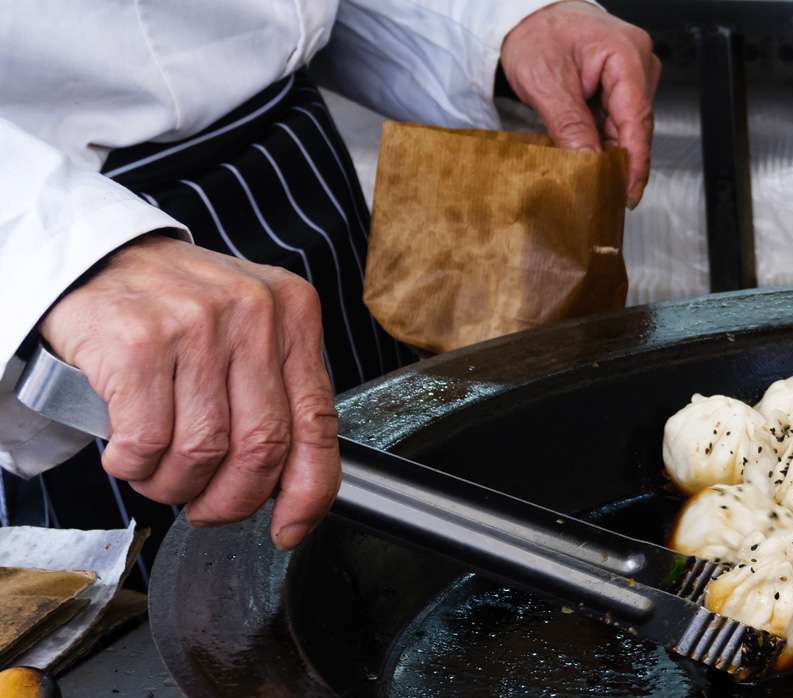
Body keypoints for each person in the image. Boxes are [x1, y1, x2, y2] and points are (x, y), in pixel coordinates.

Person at [0, 1, 660, 582]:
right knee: (167, 655)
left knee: (394, 584)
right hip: (76, 286)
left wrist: (495, 20)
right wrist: (51, 246)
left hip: (299, 176)